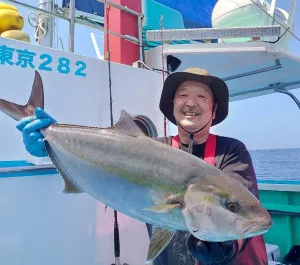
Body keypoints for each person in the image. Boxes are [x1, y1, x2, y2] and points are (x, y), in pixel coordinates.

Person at [16, 67, 269, 264]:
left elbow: (238, 205)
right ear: (173, 107)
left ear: (213, 111)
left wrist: (224, 248)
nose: (191, 102)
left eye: (201, 96)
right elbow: (100, 163)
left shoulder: (232, 151)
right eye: (183, 95)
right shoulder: (148, 147)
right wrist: (48, 145)